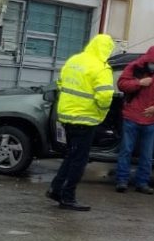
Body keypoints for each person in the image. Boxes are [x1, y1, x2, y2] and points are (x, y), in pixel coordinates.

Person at [47, 33, 116, 211]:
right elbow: (105, 96)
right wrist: (101, 112)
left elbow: (60, 83)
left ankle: (56, 189)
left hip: (66, 116)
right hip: (85, 119)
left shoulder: (74, 60)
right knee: (79, 159)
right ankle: (68, 197)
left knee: (71, 155)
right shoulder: (101, 68)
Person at [114, 45, 154, 194]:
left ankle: (142, 183)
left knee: (147, 154)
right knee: (126, 151)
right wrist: (139, 83)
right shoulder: (134, 67)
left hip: (152, 119)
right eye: (152, 62)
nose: (153, 65)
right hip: (131, 117)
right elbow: (122, 84)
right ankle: (122, 181)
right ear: (147, 59)